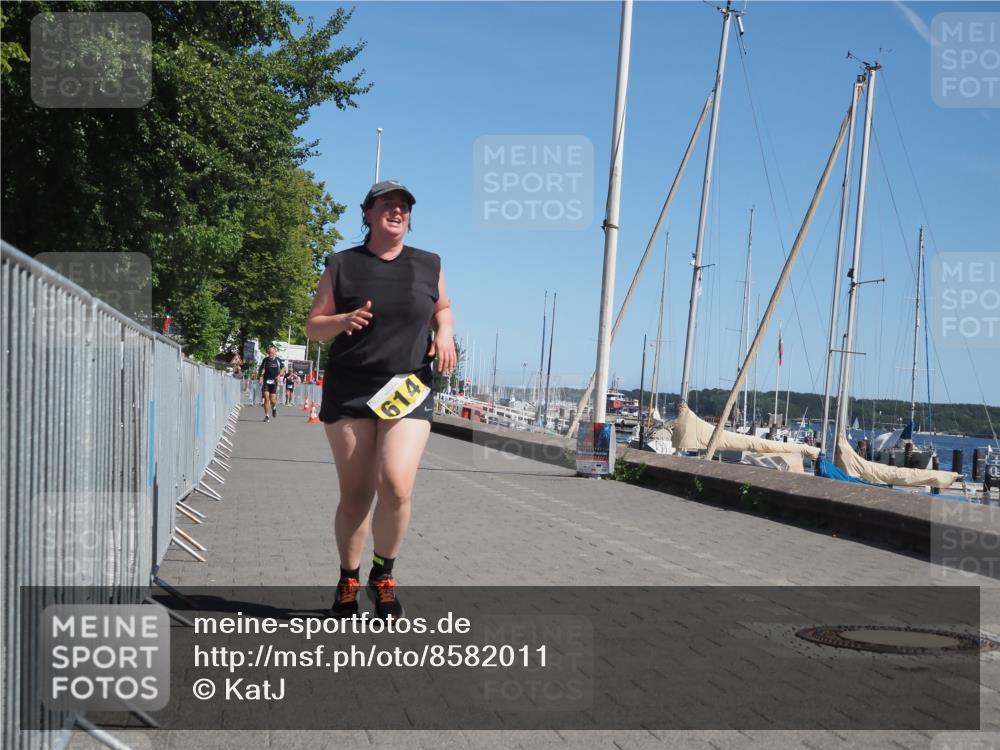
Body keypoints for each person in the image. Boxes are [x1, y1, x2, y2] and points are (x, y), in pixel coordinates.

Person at [305, 180, 455, 620]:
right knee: (356, 494)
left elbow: (442, 309)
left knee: (396, 485)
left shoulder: (429, 264)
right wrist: (341, 319)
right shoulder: (342, 264)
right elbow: (314, 326)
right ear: (367, 214)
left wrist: (444, 333)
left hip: (407, 386)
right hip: (351, 386)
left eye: (405, 206)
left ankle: (383, 574)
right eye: (387, 204)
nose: (397, 210)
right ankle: (347, 578)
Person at [257, 346, 284, 422]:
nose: (271, 354)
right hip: (266, 381)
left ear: (275, 353)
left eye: (272, 353)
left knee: (273, 400)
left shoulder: (278, 360)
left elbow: (283, 369)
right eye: (269, 353)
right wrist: (261, 377)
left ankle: (274, 408)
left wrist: (279, 375)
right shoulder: (265, 360)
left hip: (274, 382)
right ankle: (266, 416)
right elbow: (262, 369)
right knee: (266, 397)